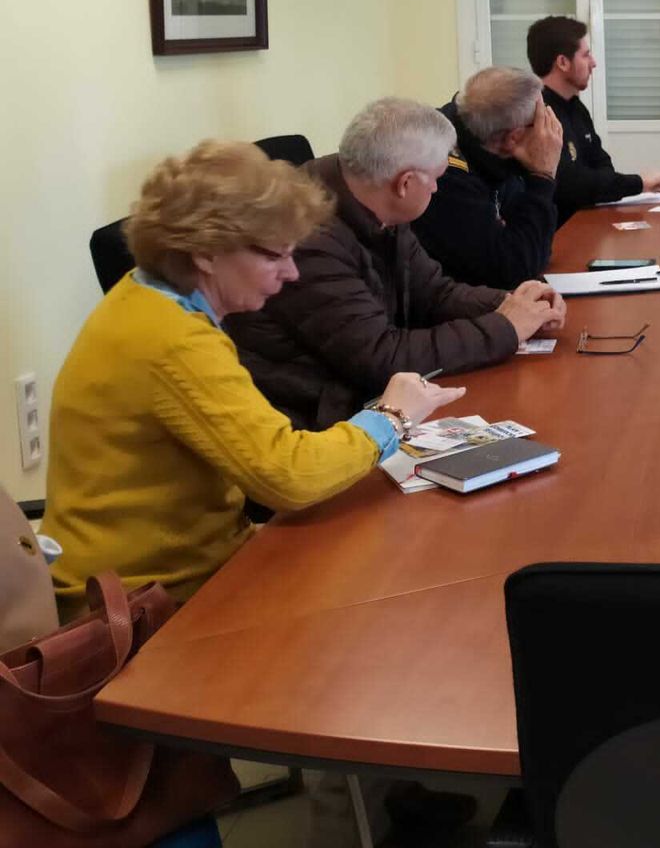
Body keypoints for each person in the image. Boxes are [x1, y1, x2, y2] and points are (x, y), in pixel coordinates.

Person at [40, 141, 464, 617]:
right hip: (142, 604)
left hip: (188, 566)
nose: (291, 271)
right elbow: (288, 477)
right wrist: (391, 416)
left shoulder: (147, 294)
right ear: (205, 254)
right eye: (275, 255)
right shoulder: (172, 340)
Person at [228, 99, 564, 430]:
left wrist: (513, 304)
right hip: (317, 422)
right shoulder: (309, 239)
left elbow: (433, 292)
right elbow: (382, 357)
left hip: (360, 401)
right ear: (405, 184)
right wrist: (505, 329)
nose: (436, 189)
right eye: (435, 179)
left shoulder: (371, 197)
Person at [411, 66, 564, 290]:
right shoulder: (443, 173)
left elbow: (534, 245)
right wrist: (543, 175)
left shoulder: (488, 144)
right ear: (514, 137)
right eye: (541, 119)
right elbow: (515, 267)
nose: (548, 129)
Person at [528, 16, 660, 223]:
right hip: (559, 232)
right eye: (585, 55)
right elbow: (571, 184)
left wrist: (600, 183)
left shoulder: (577, 108)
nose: (593, 63)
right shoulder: (540, 115)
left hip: (589, 219)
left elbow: (602, 165)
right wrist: (639, 183)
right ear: (563, 62)